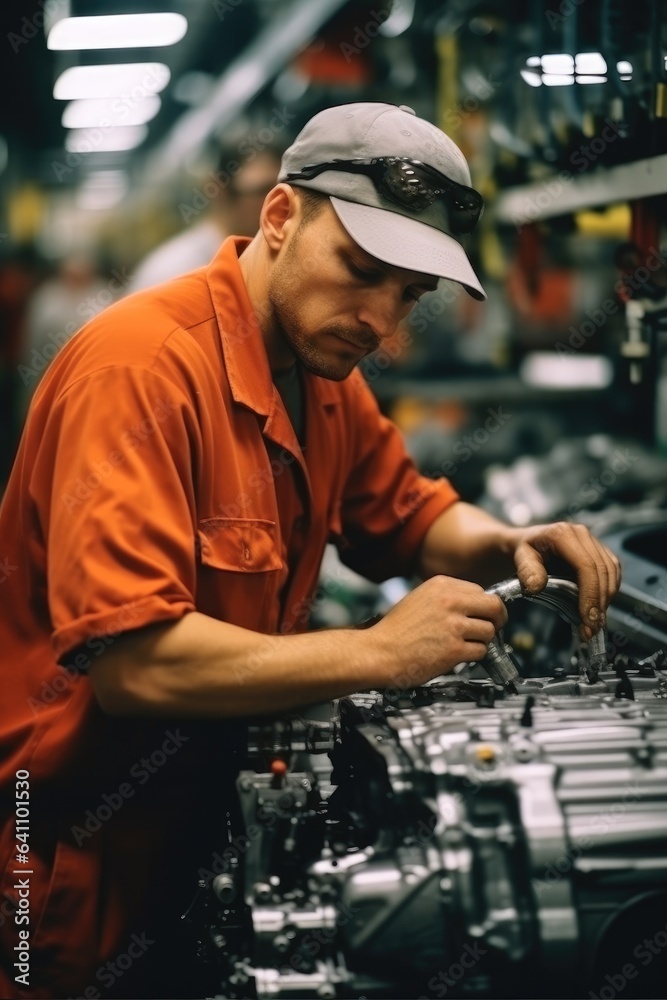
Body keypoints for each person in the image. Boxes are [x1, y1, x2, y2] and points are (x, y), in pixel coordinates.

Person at [0, 102, 620, 1000]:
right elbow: (134, 666)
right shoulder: (139, 370)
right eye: (362, 270)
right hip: (63, 855)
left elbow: (407, 518)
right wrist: (376, 651)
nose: (377, 320)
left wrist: (511, 541)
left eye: (407, 294)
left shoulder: (317, 374)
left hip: (194, 834)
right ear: (280, 218)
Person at [126, 145, 281, 292]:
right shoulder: (173, 270)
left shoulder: (265, 262)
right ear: (220, 189)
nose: (277, 203)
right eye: (262, 191)